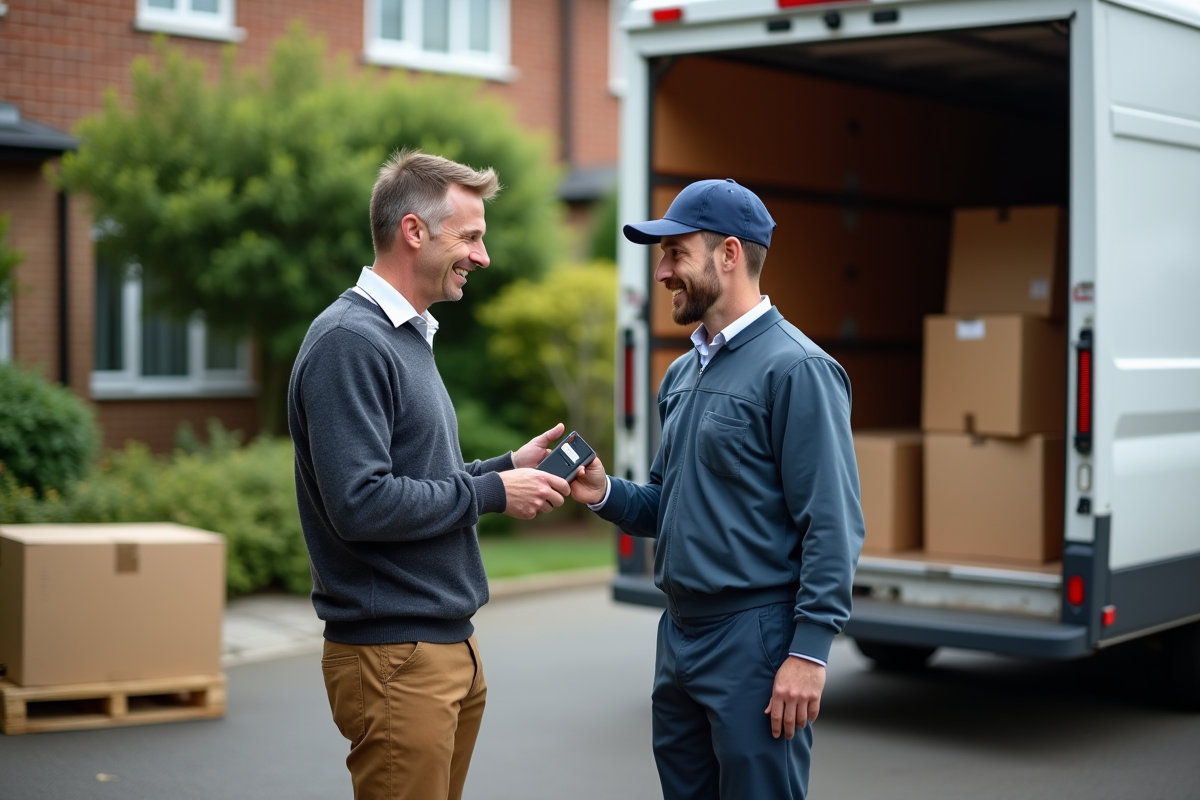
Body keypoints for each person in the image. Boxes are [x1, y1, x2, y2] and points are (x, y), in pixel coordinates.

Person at [287, 150, 573, 800]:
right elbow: (360, 502)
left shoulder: (405, 336)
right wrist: (492, 492)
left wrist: (505, 468)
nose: (483, 256)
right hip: (395, 655)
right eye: (469, 237)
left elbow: (418, 476)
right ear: (413, 231)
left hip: (440, 648)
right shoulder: (349, 342)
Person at [571, 178, 865, 799]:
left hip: (756, 639)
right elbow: (667, 504)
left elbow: (832, 523)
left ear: (729, 254)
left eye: (675, 253)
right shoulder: (681, 374)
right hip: (678, 635)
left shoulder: (799, 369)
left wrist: (809, 652)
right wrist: (604, 493)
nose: (662, 272)